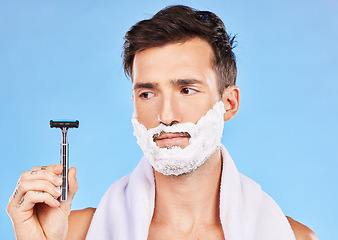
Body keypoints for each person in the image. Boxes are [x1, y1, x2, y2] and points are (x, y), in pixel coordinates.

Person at [7, 5, 318, 240]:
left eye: (186, 89)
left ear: (229, 103)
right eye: (147, 93)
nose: (166, 115)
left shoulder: (291, 237)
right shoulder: (74, 234)